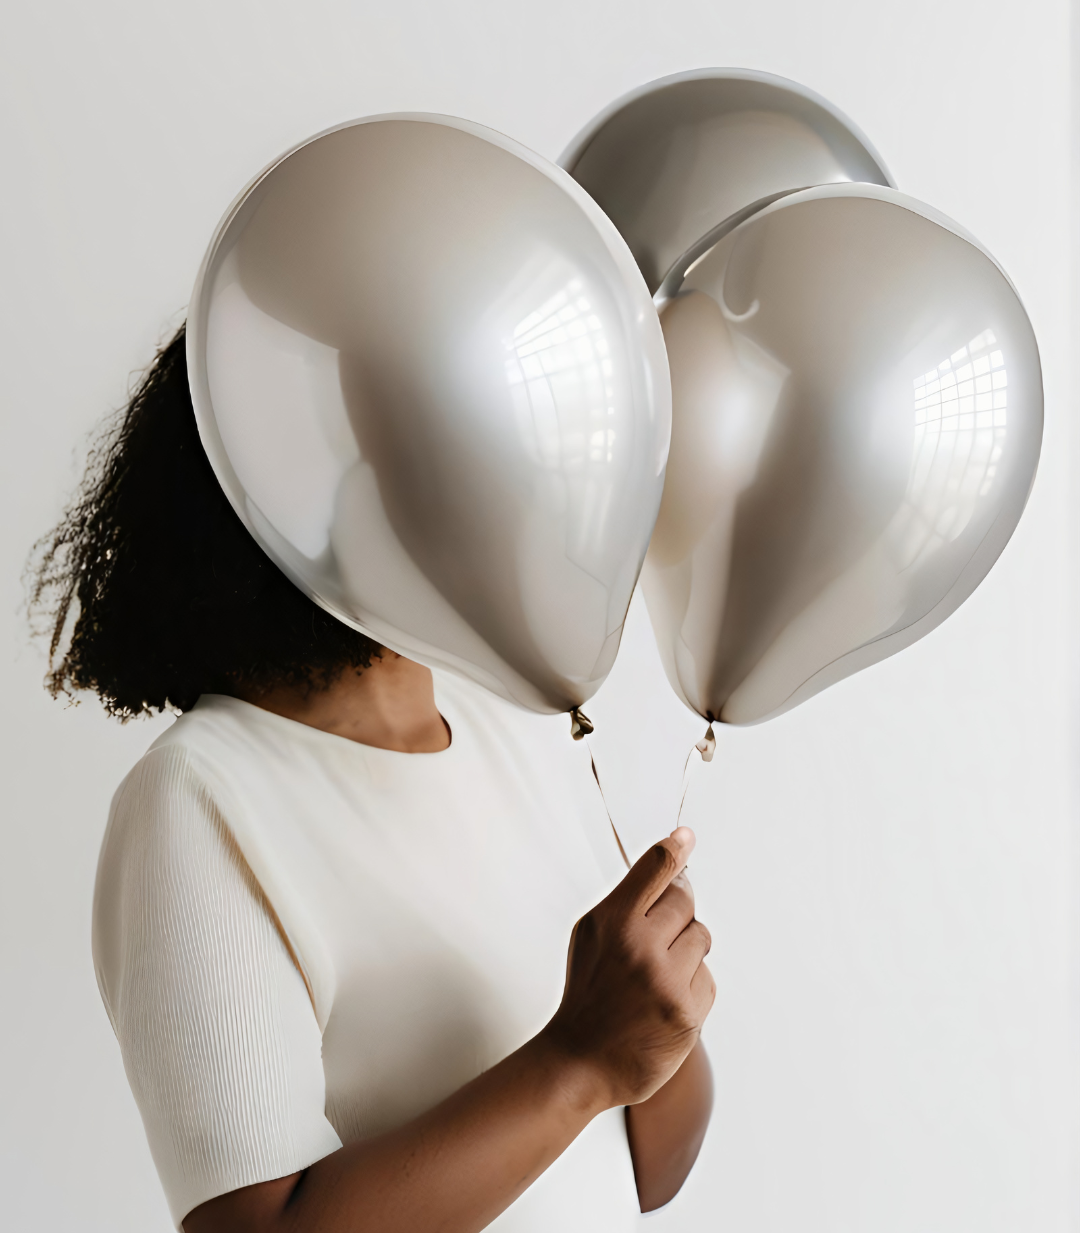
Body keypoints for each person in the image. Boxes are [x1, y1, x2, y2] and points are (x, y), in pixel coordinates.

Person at [29, 327, 715, 1233]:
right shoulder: (196, 798)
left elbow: (646, 1172)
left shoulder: (517, 724)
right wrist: (578, 1059)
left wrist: (652, 1016)